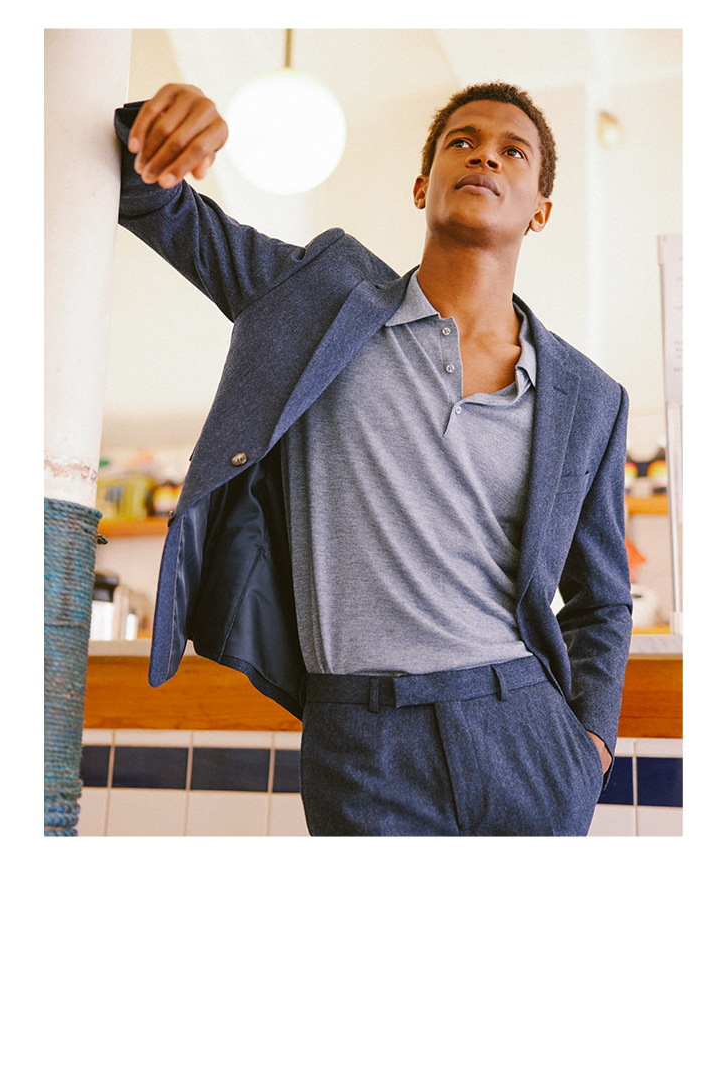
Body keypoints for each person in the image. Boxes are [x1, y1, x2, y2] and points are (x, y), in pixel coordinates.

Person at [113, 77, 632, 836]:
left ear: (540, 209)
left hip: (522, 732)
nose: (482, 154)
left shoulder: (588, 396)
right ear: (423, 185)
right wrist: (159, 126)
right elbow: (150, 200)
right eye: (462, 140)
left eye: (510, 150)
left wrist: (588, 747)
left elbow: (601, 598)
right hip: (361, 740)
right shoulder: (318, 297)